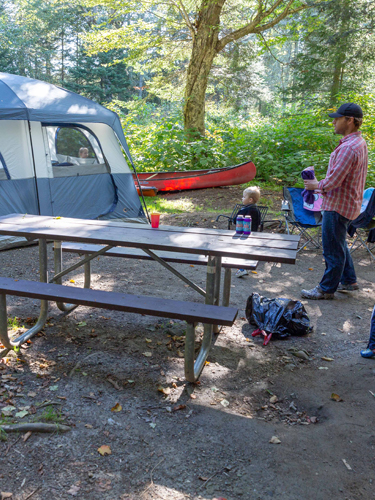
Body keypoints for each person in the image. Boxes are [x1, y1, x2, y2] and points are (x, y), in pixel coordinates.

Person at [301, 103, 368, 299]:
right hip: (349, 203)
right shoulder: (358, 142)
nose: (333, 122)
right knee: (339, 243)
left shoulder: (349, 147)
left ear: (350, 120)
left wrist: (315, 185)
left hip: (337, 205)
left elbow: (333, 181)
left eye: (337, 118)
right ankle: (349, 280)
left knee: (332, 250)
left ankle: (326, 289)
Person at [235, 186, 261, 277]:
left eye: (244, 197)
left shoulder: (244, 210)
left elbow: (235, 220)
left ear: (250, 199)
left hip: (243, 234)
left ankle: (241, 269)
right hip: (253, 234)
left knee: (241, 251)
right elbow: (258, 222)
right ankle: (243, 267)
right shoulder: (257, 210)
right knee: (247, 251)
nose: (242, 198)